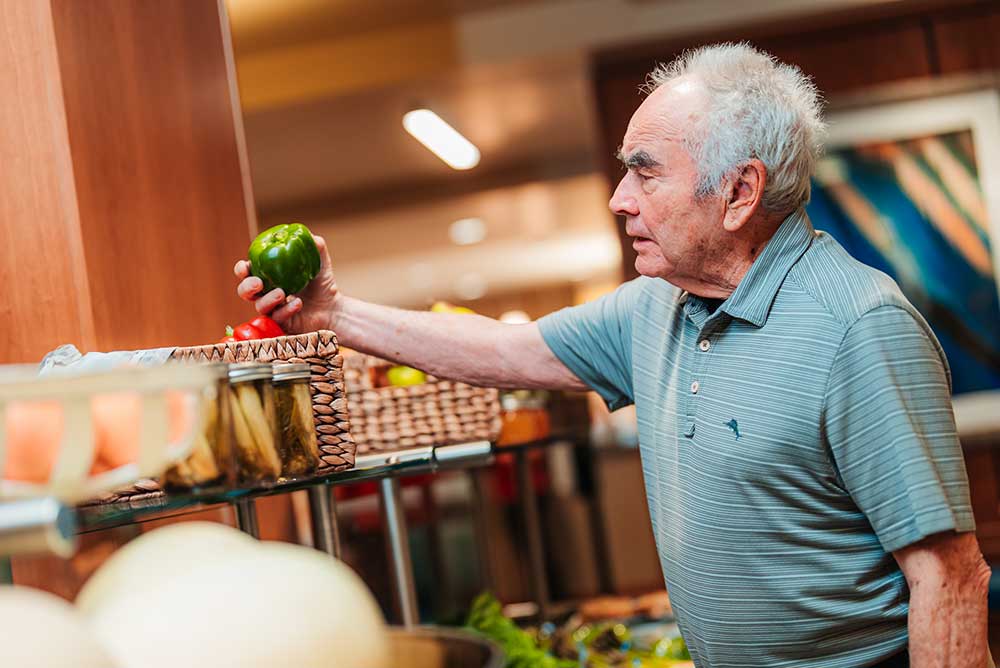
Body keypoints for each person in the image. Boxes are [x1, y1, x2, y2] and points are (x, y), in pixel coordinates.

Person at [236, 43, 992, 668]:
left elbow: (950, 577)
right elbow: (507, 350)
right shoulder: (656, 306)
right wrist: (332, 314)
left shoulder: (857, 324)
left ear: (738, 192)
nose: (619, 198)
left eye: (645, 171)